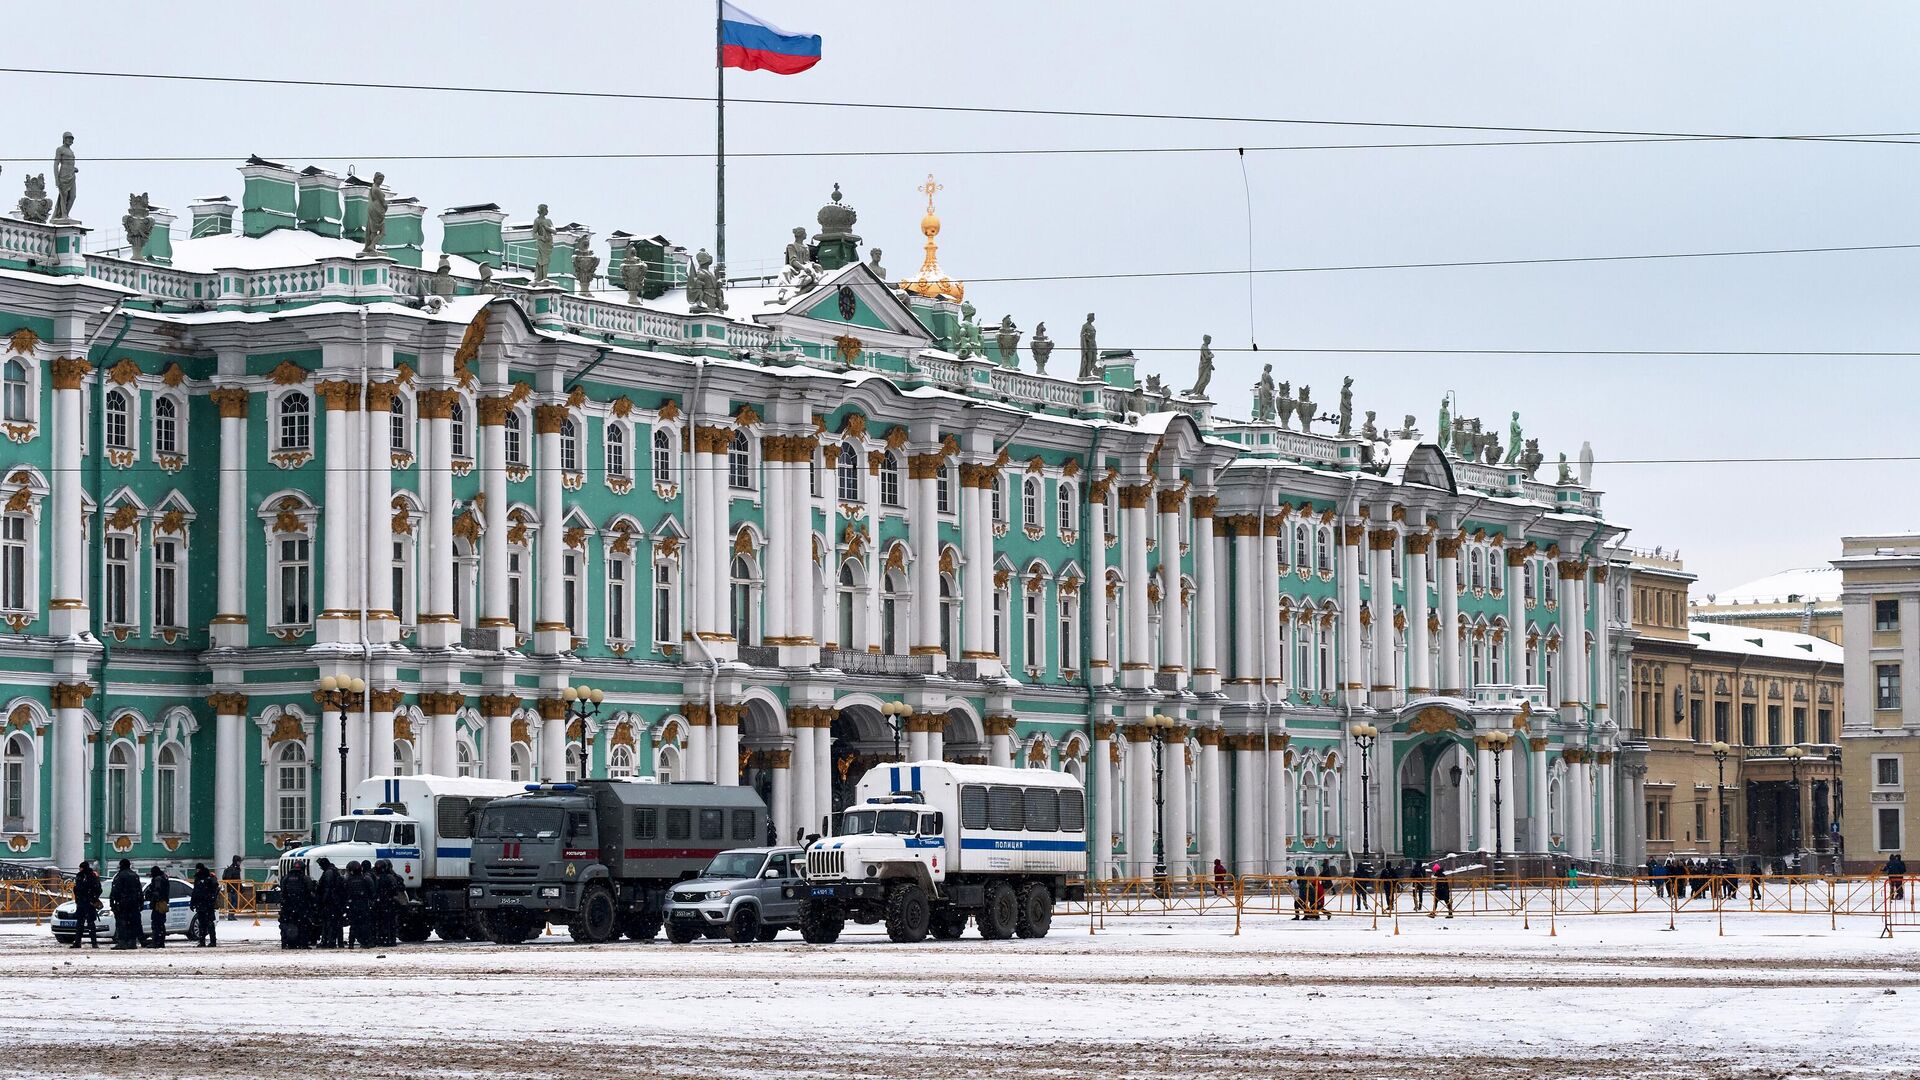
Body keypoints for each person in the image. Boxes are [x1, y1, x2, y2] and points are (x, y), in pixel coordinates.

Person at [108, 859, 143, 949]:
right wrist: (140, 902)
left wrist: (113, 903)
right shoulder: (135, 875)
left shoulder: (119, 876)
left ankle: (122, 942)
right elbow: (140, 890)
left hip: (123, 903)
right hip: (134, 903)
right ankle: (132, 942)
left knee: (121, 923)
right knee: (132, 923)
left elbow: (115, 890)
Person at [278, 861, 313, 949]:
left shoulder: (285, 878)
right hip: (301, 907)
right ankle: (303, 943)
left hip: (288, 907)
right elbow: (309, 891)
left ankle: (289, 943)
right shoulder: (305, 878)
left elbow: (282, 891)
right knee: (303, 925)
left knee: (288, 925)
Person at [71, 861, 103, 949]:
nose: (80, 869)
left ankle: (93, 943)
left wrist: (93, 898)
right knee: (80, 923)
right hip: (82, 902)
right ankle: (78, 942)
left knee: (90, 923)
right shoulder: (80, 876)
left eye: (81, 868)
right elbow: (77, 888)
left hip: (88, 902)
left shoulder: (91, 876)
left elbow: (98, 889)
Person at [316, 858, 345, 948]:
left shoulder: (329, 872)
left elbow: (327, 888)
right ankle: (338, 942)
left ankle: (329, 941)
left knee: (329, 923)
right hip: (336, 902)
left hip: (331, 902)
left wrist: (323, 900)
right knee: (337, 923)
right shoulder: (334, 871)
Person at [345, 861, 374, 948]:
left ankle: (351, 943)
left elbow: (344, 893)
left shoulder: (347, 880)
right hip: (363, 905)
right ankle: (366, 942)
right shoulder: (366, 878)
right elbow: (372, 891)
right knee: (364, 925)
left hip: (353, 905)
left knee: (353, 925)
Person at [372, 859, 401, 947]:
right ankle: (390, 940)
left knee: (380, 923)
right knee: (389, 923)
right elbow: (395, 890)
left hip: (379, 903)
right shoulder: (390, 877)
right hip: (388, 903)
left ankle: (382, 940)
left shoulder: (374, 877)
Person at [190, 864, 220, 946]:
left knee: (206, 924)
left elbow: (196, 892)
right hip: (205, 905)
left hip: (205, 904)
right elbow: (195, 892)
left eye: (198, 869)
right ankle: (206, 941)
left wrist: (193, 903)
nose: (197, 871)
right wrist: (193, 903)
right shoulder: (201, 878)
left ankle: (208, 942)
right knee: (205, 924)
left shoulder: (206, 878)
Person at [142, 866, 171, 947]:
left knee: (156, 924)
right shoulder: (164, 878)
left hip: (157, 904)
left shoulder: (157, 879)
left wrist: (151, 895)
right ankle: (161, 942)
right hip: (162, 903)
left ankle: (156, 942)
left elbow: (156, 892)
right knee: (161, 924)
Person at [222, 856, 245, 920]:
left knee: (234, 902)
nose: (239, 863)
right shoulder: (232, 869)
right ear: (235, 861)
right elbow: (230, 879)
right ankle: (231, 915)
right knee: (233, 902)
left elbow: (238, 880)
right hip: (233, 889)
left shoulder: (236, 869)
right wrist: (233, 887)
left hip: (235, 888)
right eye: (238, 861)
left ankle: (231, 915)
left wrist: (241, 887)